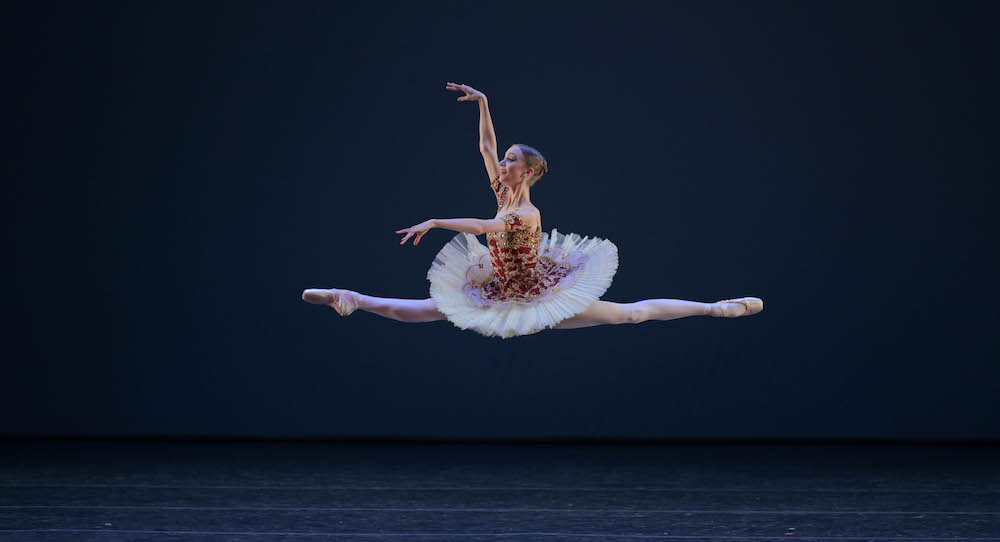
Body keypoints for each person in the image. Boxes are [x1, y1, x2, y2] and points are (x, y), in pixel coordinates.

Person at [302, 82, 763, 339]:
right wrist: (483, 104)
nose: (500, 164)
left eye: (509, 161)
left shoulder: (524, 214)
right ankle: (351, 297)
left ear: (528, 173)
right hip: (501, 285)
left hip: (538, 293)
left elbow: (486, 226)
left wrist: (438, 221)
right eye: (503, 160)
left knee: (630, 315)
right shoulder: (503, 191)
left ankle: (716, 308)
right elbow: (484, 145)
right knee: (426, 311)